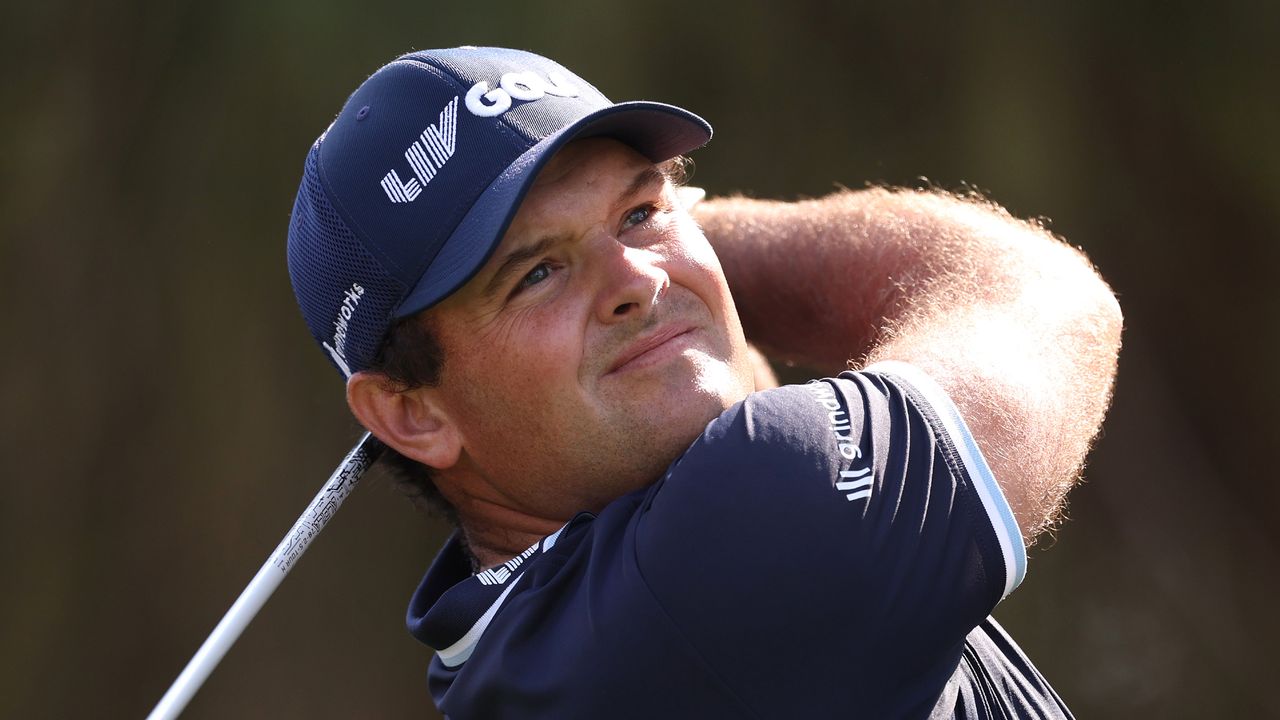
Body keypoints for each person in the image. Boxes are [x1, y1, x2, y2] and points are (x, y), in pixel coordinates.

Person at [286, 46, 1121, 719]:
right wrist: (701, 251)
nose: (639, 280)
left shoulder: (509, 651)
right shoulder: (732, 547)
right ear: (410, 413)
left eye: (641, 212)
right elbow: (1043, 294)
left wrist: (670, 275)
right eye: (536, 273)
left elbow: (730, 392)